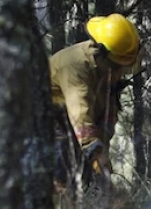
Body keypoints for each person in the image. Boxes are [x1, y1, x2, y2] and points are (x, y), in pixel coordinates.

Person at [49, 12, 140, 189]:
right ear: (103, 54)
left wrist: (103, 147)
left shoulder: (107, 68)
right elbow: (81, 119)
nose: (120, 71)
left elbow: (107, 110)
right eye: (118, 66)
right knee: (60, 182)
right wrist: (100, 164)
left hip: (71, 125)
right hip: (51, 123)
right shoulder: (75, 68)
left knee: (87, 181)